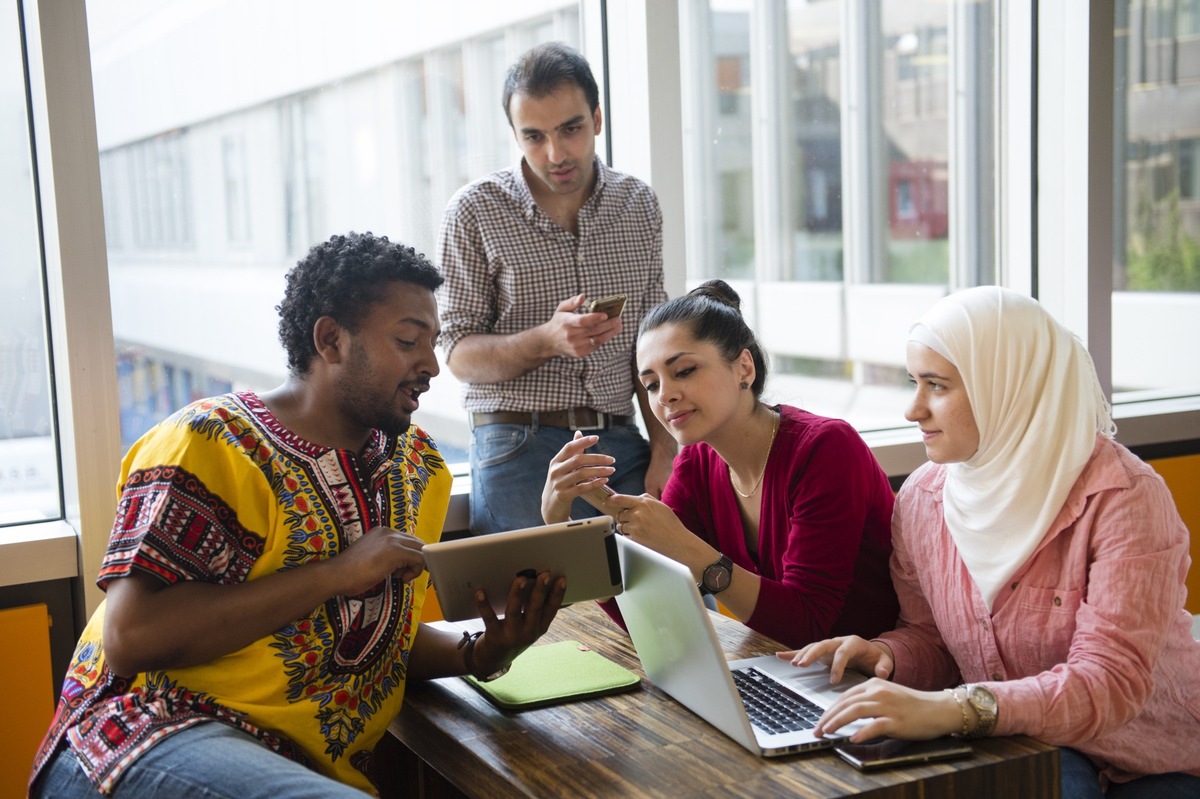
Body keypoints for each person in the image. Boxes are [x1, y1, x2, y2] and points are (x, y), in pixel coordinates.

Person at [29, 232, 566, 798]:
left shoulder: (419, 467)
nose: (430, 365)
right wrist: (337, 573)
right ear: (331, 340)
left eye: (433, 343)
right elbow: (131, 637)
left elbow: (375, 642)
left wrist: (481, 652)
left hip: (297, 770)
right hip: (145, 737)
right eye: (409, 340)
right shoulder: (211, 440)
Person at [787, 286, 1200, 797]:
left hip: (1149, 755)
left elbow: (1109, 683)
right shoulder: (923, 498)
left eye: (936, 386)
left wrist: (955, 708)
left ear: (1007, 386)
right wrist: (884, 655)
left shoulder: (1124, 498)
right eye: (914, 382)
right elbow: (933, 638)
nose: (912, 410)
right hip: (1021, 738)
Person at [542, 280, 899, 648]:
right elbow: (654, 616)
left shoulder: (826, 449)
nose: (665, 395)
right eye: (650, 385)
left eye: (683, 371)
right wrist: (563, 528)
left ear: (744, 368)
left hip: (874, 684)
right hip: (787, 674)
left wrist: (685, 546)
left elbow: (808, 625)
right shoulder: (696, 465)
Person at [437, 41, 675, 536]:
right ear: (515, 135)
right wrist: (546, 339)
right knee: (536, 606)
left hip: (621, 442)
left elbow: (653, 345)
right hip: (516, 443)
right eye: (534, 136)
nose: (556, 153)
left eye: (571, 129)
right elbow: (457, 353)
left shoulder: (638, 205)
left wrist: (665, 449)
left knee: (666, 598)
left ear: (598, 119)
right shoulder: (474, 210)